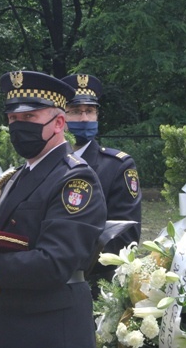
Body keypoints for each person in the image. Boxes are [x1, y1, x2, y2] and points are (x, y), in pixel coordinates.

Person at [0, 70, 107, 348]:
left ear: (58, 122)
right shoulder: (15, 176)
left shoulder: (75, 180)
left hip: (47, 329)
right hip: (5, 322)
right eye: (13, 118)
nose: (18, 126)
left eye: (29, 117)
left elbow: (53, 263)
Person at [61, 73, 141, 296]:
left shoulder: (117, 167)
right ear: (60, 117)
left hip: (94, 286)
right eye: (75, 111)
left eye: (90, 111)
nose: (84, 118)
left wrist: (63, 259)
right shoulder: (48, 162)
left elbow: (126, 236)